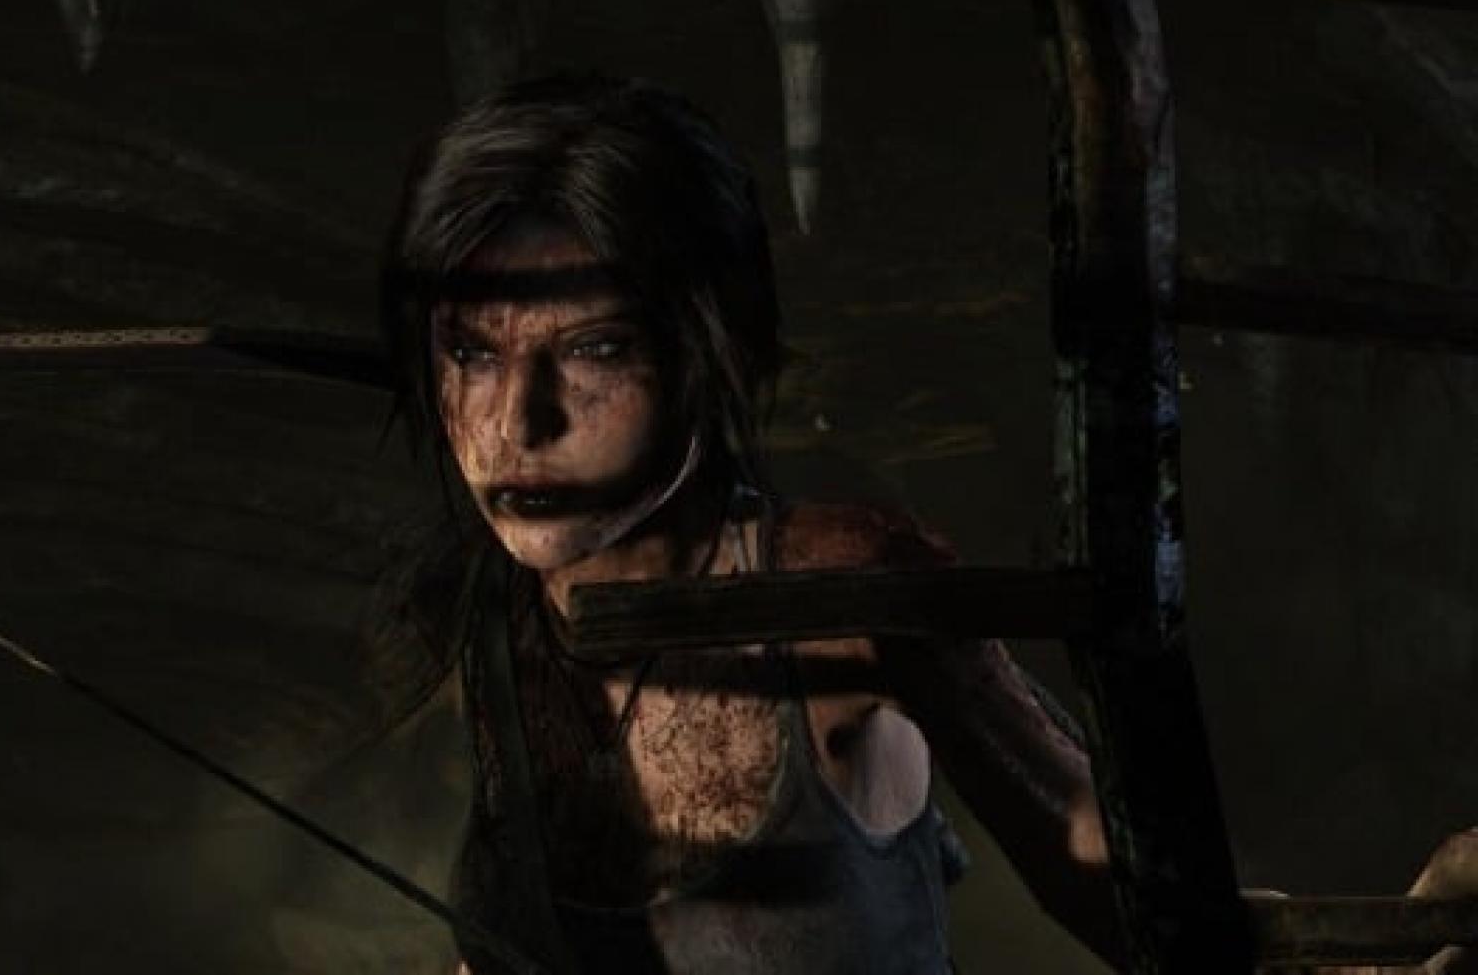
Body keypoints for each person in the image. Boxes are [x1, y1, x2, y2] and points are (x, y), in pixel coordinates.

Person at [368, 70, 1473, 975]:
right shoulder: (494, 619)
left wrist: (1363, 962)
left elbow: (1123, 885)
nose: (517, 421)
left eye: (596, 349)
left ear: (707, 350)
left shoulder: (837, 594)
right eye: (472, 353)